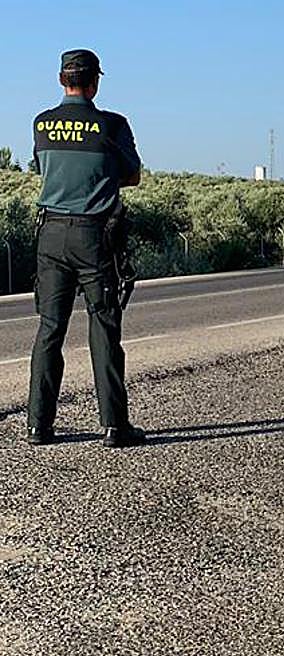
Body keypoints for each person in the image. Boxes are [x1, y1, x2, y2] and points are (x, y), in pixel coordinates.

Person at [27, 49, 145, 448]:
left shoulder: (41, 124)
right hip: (95, 237)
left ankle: (38, 426)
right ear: (95, 82)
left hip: (51, 236)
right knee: (104, 328)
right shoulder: (111, 126)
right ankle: (114, 426)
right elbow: (133, 175)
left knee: (49, 330)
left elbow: (43, 168)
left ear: (62, 80)